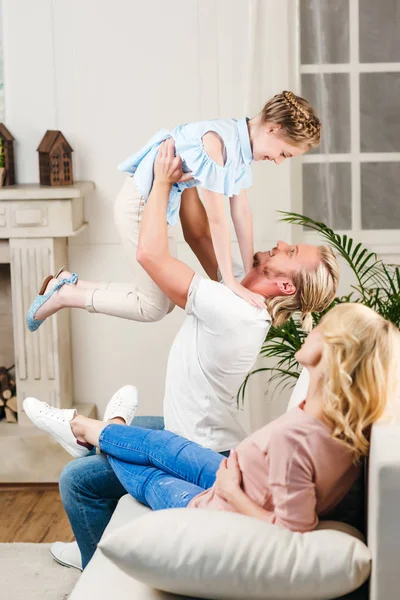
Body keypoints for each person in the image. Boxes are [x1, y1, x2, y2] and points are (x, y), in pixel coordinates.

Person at [25, 140, 339, 569]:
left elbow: (149, 254)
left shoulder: (233, 310)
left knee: (77, 481)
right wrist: (197, 171)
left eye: (290, 253)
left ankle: (89, 558)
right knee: (121, 436)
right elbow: (196, 233)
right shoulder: (239, 295)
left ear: (286, 286)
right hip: (207, 438)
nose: (282, 242)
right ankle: (96, 437)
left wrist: (162, 184)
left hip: (197, 448)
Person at [25, 303, 400, 561]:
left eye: (321, 327)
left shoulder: (300, 440)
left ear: (332, 351)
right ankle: (89, 427)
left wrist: (233, 492)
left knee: (146, 474)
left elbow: (293, 530)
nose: (310, 327)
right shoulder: (335, 421)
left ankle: (90, 430)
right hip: (236, 474)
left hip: (216, 504)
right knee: (165, 444)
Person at [26, 91, 321, 331]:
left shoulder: (239, 150)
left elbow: (242, 213)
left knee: (162, 304)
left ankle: (66, 287)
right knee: (153, 306)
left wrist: (246, 272)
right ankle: (63, 293)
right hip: (140, 205)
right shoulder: (218, 142)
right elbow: (217, 218)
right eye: (284, 153)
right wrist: (231, 282)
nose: (279, 161)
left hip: (162, 207)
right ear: (274, 128)